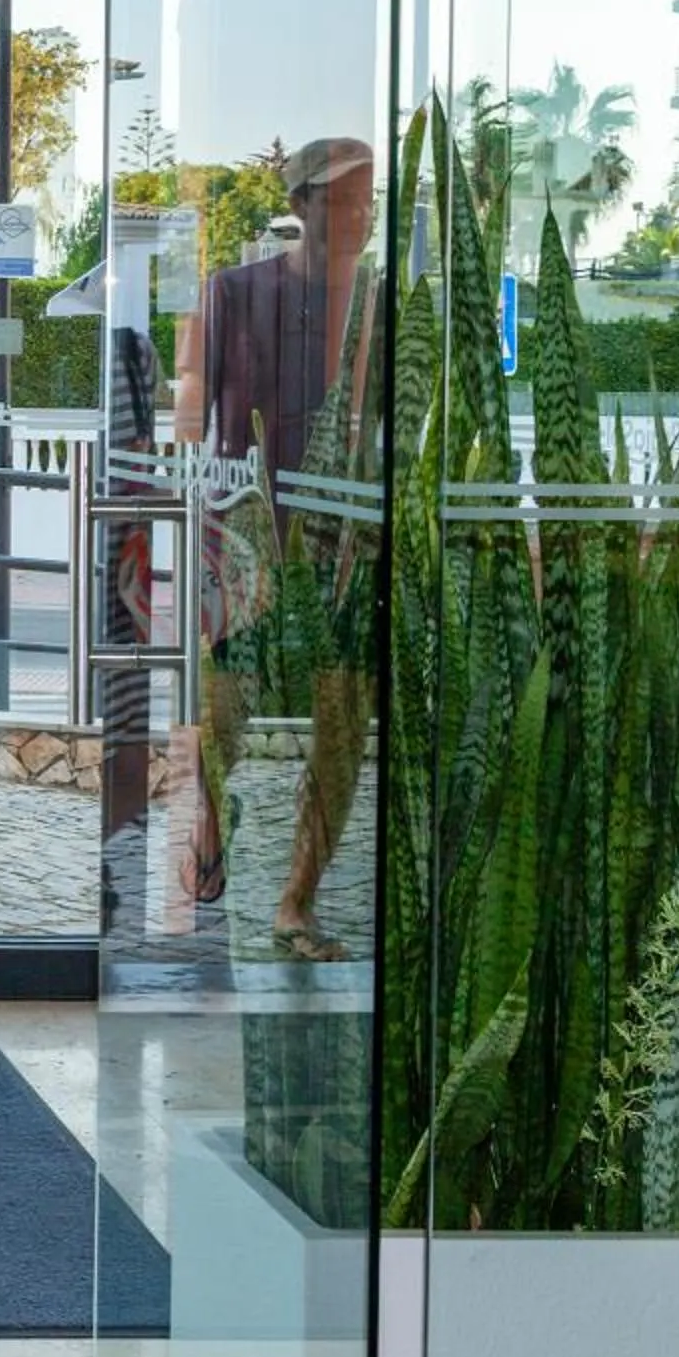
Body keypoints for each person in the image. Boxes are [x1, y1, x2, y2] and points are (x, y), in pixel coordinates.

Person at [179, 134, 380, 960]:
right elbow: (193, 407)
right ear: (299, 207)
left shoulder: (382, 299)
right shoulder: (231, 292)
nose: (358, 216)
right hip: (248, 529)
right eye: (340, 200)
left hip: (346, 539)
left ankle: (297, 898)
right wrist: (199, 510)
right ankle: (209, 821)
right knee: (225, 707)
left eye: (367, 201)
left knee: (343, 723)